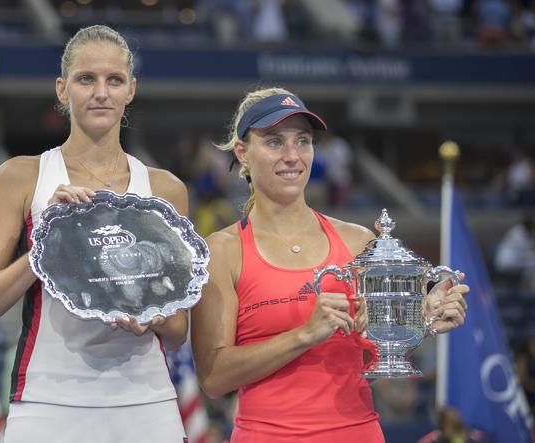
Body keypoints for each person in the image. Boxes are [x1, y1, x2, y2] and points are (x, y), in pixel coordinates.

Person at [190, 87, 470, 442]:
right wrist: (306, 334)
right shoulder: (223, 251)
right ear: (243, 152)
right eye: (275, 142)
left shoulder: (357, 241)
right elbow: (214, 377)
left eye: (303, 141)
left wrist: (423, 318)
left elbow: (378, 353)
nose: (293, 156)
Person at [0, 25, 189, 442]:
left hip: (146, 401)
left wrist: (152, 318)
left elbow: (177, 331)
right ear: (62, 90)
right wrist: (46, 244)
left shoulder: (165, 190)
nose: (101, 92)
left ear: (131, 89)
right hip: (48, 401)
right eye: (86, 79)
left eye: (114, 80)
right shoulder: (21, 178)